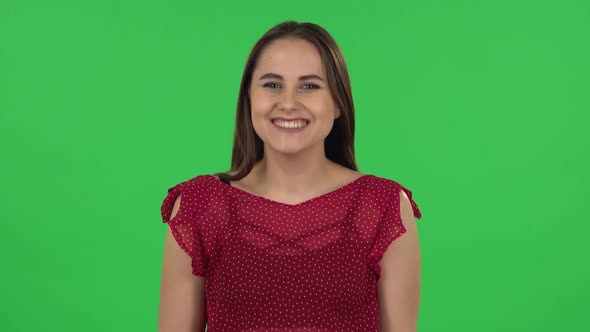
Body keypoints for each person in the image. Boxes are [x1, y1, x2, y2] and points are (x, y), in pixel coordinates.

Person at [158, 20, 423, 332]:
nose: (288, 103)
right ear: (248, 98)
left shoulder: (383, 206)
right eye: (272, 84)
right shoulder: (199, 206)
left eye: (309, 86)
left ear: (338, 102)